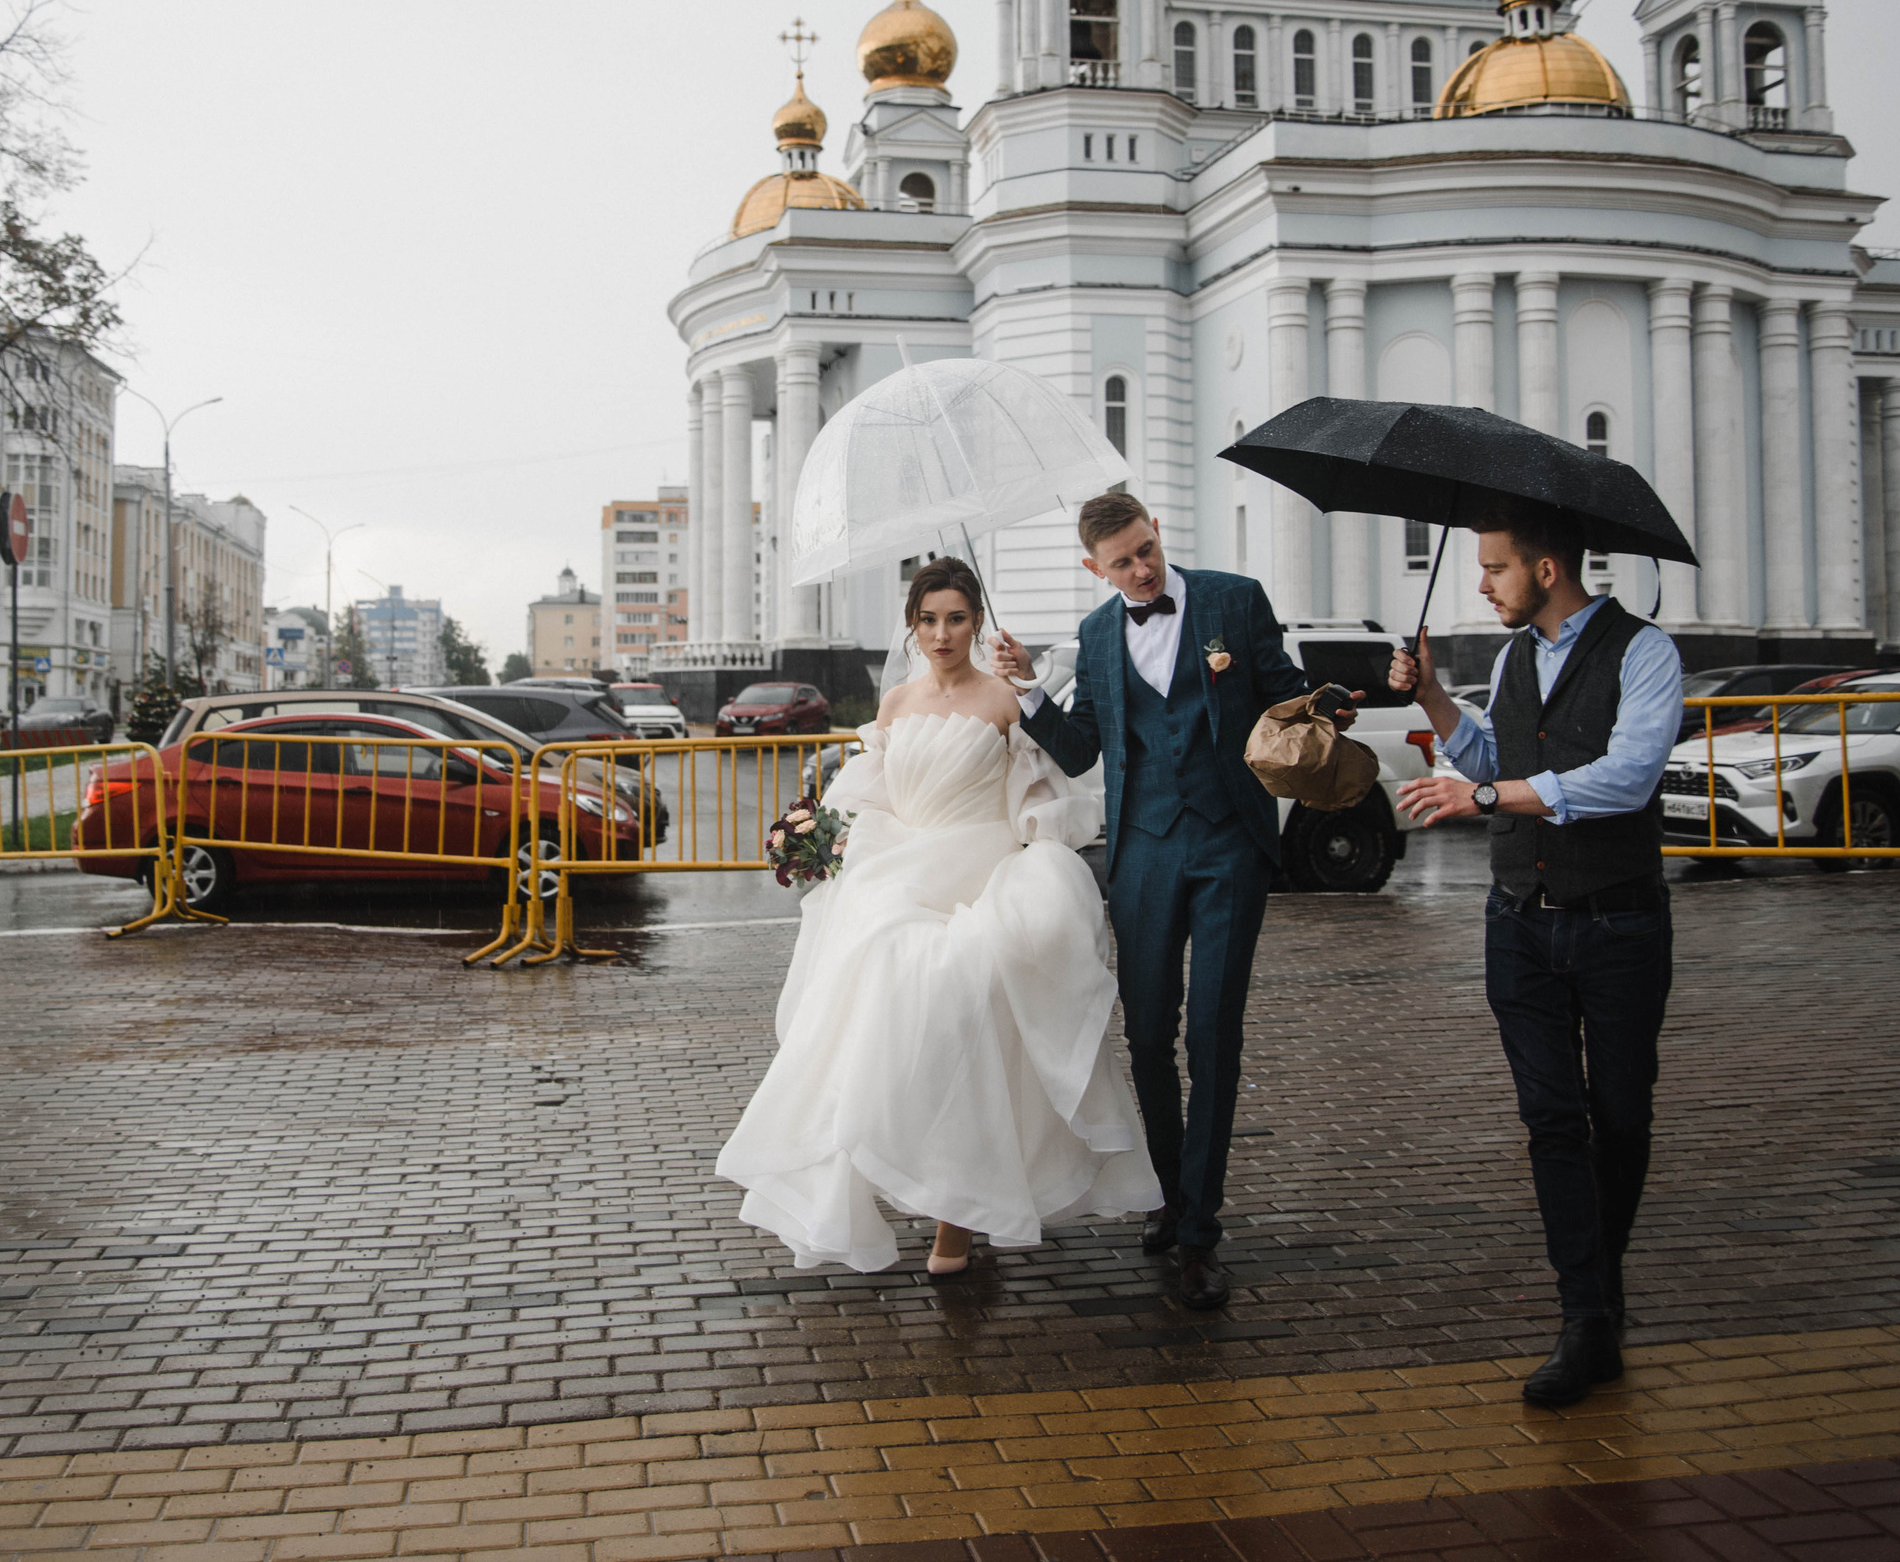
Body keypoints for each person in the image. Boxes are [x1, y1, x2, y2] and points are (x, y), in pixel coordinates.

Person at [717, 557, 1161, 1278]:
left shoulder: (1004, 701)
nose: (942, 632)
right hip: (899, 873)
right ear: (911, 626)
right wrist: (816, 837)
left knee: (964, 1010)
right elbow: (869, 797)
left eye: (956, 618)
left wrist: (1032, 691)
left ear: (976, 623)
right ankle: (879, 1168)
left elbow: (1052, 788)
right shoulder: (895, 705)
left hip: (982, 875)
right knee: (875, 1017)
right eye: (928, 619)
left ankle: (958, 1217)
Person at [990, 492, 1345, 1309]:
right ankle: (1168, 1192)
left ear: (1157, 530)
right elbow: (1083, 751)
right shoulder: (1094, 637)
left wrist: (1332, 707)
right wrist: (1030, 693)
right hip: (1144, 852)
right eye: (1123, 562)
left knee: (1214, 1031)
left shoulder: (1233, 599)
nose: (1142, 569)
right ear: (1095, 569)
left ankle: (1200, 1229)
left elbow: (1288, 691)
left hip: (1229, 846)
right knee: (1149, 1034)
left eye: (1147, 549)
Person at [1388, 500, 1682, 1409]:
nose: (1481, 583)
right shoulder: (1515, 657)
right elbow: (1486, 747)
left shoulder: (1645, 652)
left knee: (1621, 1117)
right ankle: (1585, 1317)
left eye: (1497, 569)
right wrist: (1434, 697)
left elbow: (1628, 776)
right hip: (1518, 918)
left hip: (1619, 922)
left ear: (1547, 571)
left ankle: (1600, 1282)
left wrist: (1490, 796)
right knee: (1554, 1120)